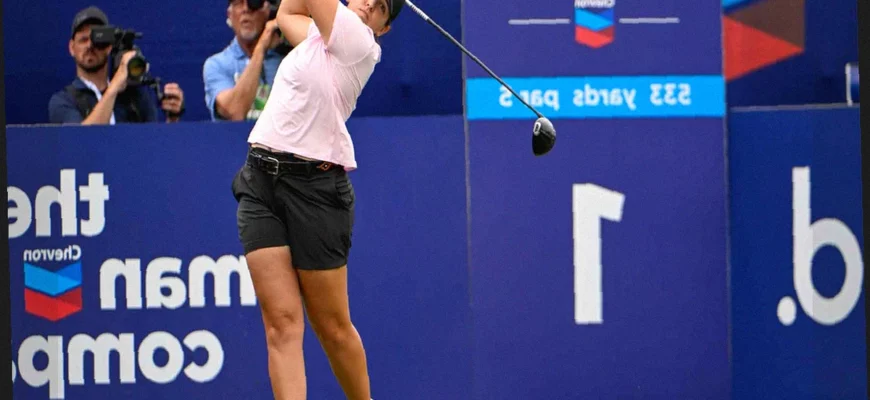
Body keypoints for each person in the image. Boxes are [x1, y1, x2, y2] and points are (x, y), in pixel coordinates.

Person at [229, 0, 403, 398]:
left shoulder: (360, 43)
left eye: (381, 7)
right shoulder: (315, 38)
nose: (369, 4)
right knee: (281, 323)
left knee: (333, 328)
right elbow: (287, 13)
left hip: (316, 192)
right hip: (260, 181)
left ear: (383, 28)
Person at [48, 6, 185, 125]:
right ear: (72, 48)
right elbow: (82, 139)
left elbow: (154, 144)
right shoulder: (63, 101)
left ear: (109, 46)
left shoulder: (135, 98)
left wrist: (172, 119)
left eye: (97, 39)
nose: (90, 45)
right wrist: (116, 83)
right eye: (83, 40)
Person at [203, 0, 285, 122]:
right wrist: (261, 48)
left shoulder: (287, 60)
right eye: (238, 3)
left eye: (254, 2)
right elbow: (235, 112)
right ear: (230, 15)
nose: (246, 9)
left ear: (267, 11)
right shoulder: (217, 64)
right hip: (237, 134)